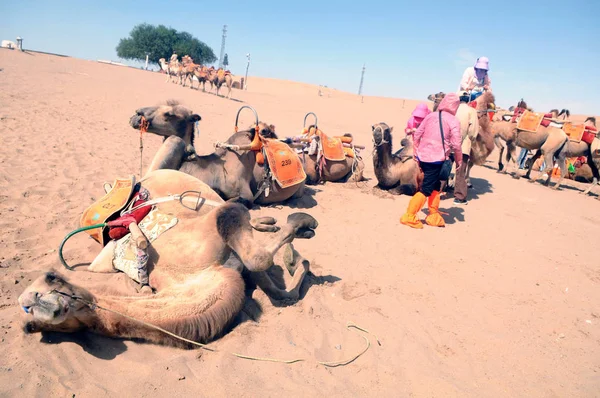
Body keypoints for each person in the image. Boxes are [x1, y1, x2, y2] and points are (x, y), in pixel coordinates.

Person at [400, 93, 463, 229]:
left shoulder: (430, 116)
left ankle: (433, 214)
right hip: (436, 159)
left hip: (423, 157)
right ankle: (409, 215)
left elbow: (417, 135)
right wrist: (459, 161)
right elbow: (457, 144)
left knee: (435, 186)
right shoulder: (453, 121)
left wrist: (416, 152)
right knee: (426, 189)